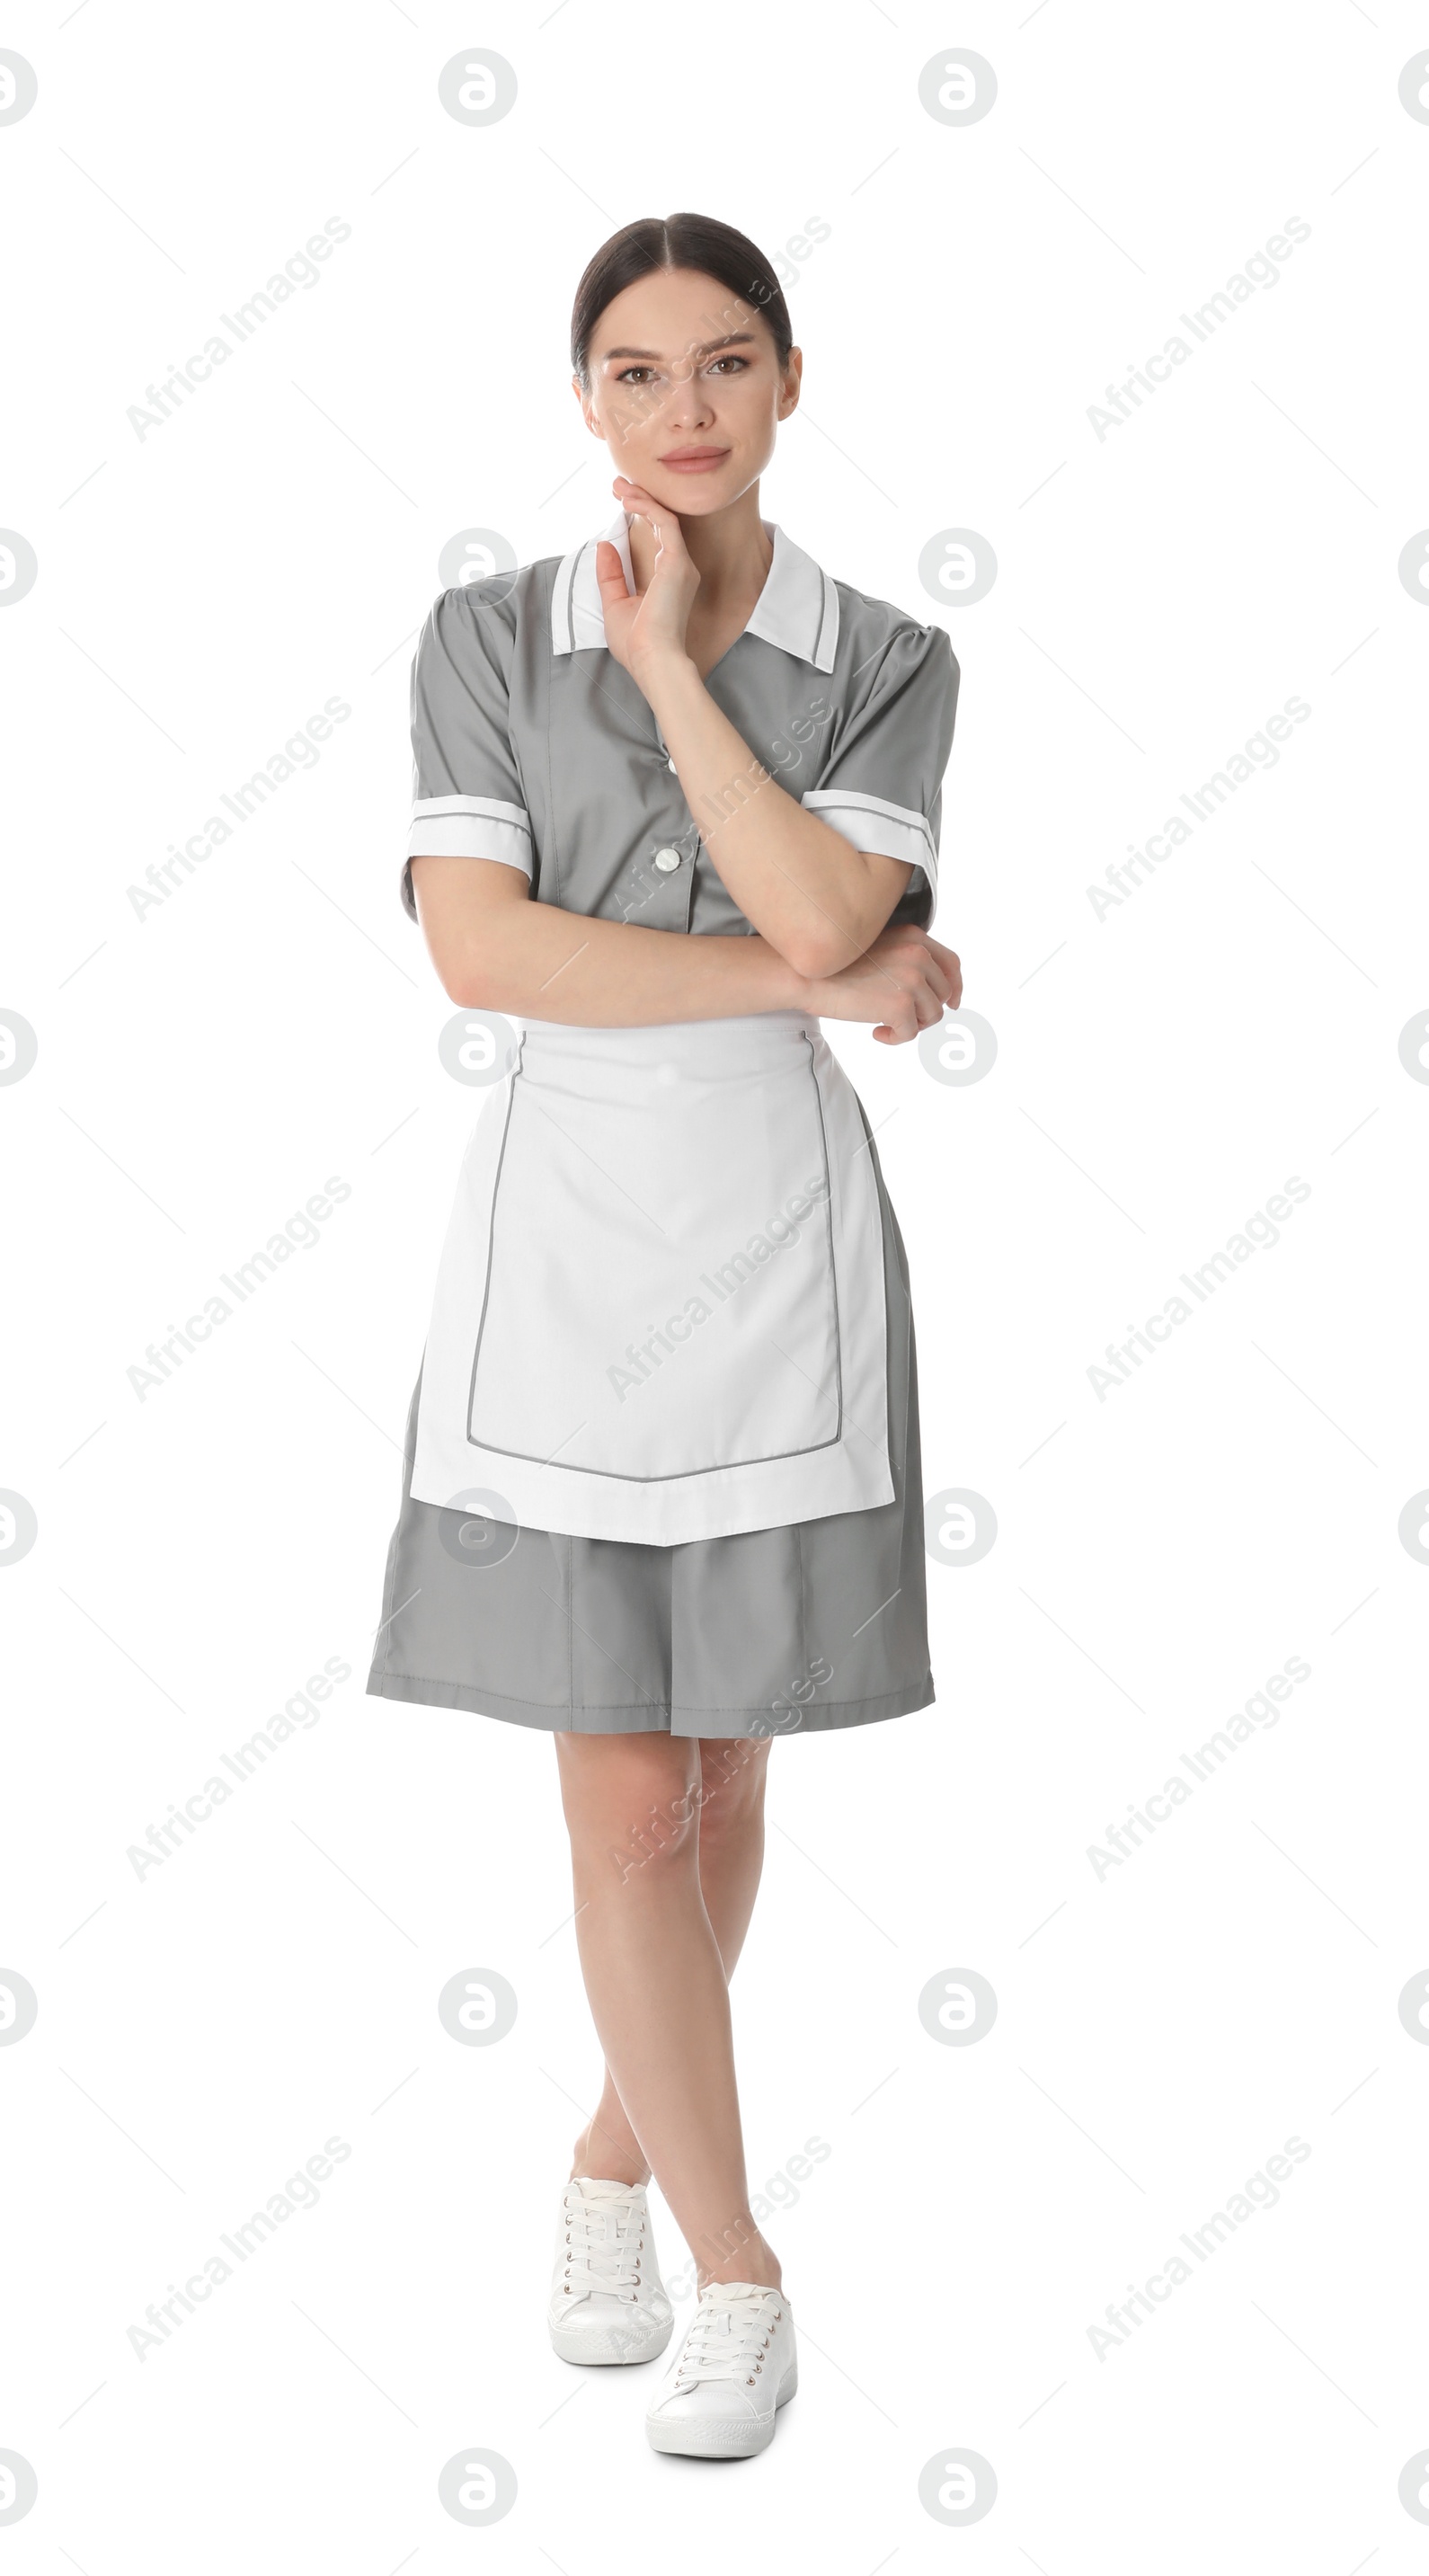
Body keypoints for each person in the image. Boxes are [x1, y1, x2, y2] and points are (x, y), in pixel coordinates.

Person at [368, 210, 962, 2458]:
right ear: (585, 403)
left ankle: (616, 2153)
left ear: (791, 383)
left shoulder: (884, 652)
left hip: (779, 1245)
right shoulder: (475, 634)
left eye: (725, 365)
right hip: (558, 1250)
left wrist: (680, 682)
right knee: (619, 1789)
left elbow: (827, 891)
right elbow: (485, 957)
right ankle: (742, 2266)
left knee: (723, 1765)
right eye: (636, 374)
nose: (684, 410)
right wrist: (821, 976)